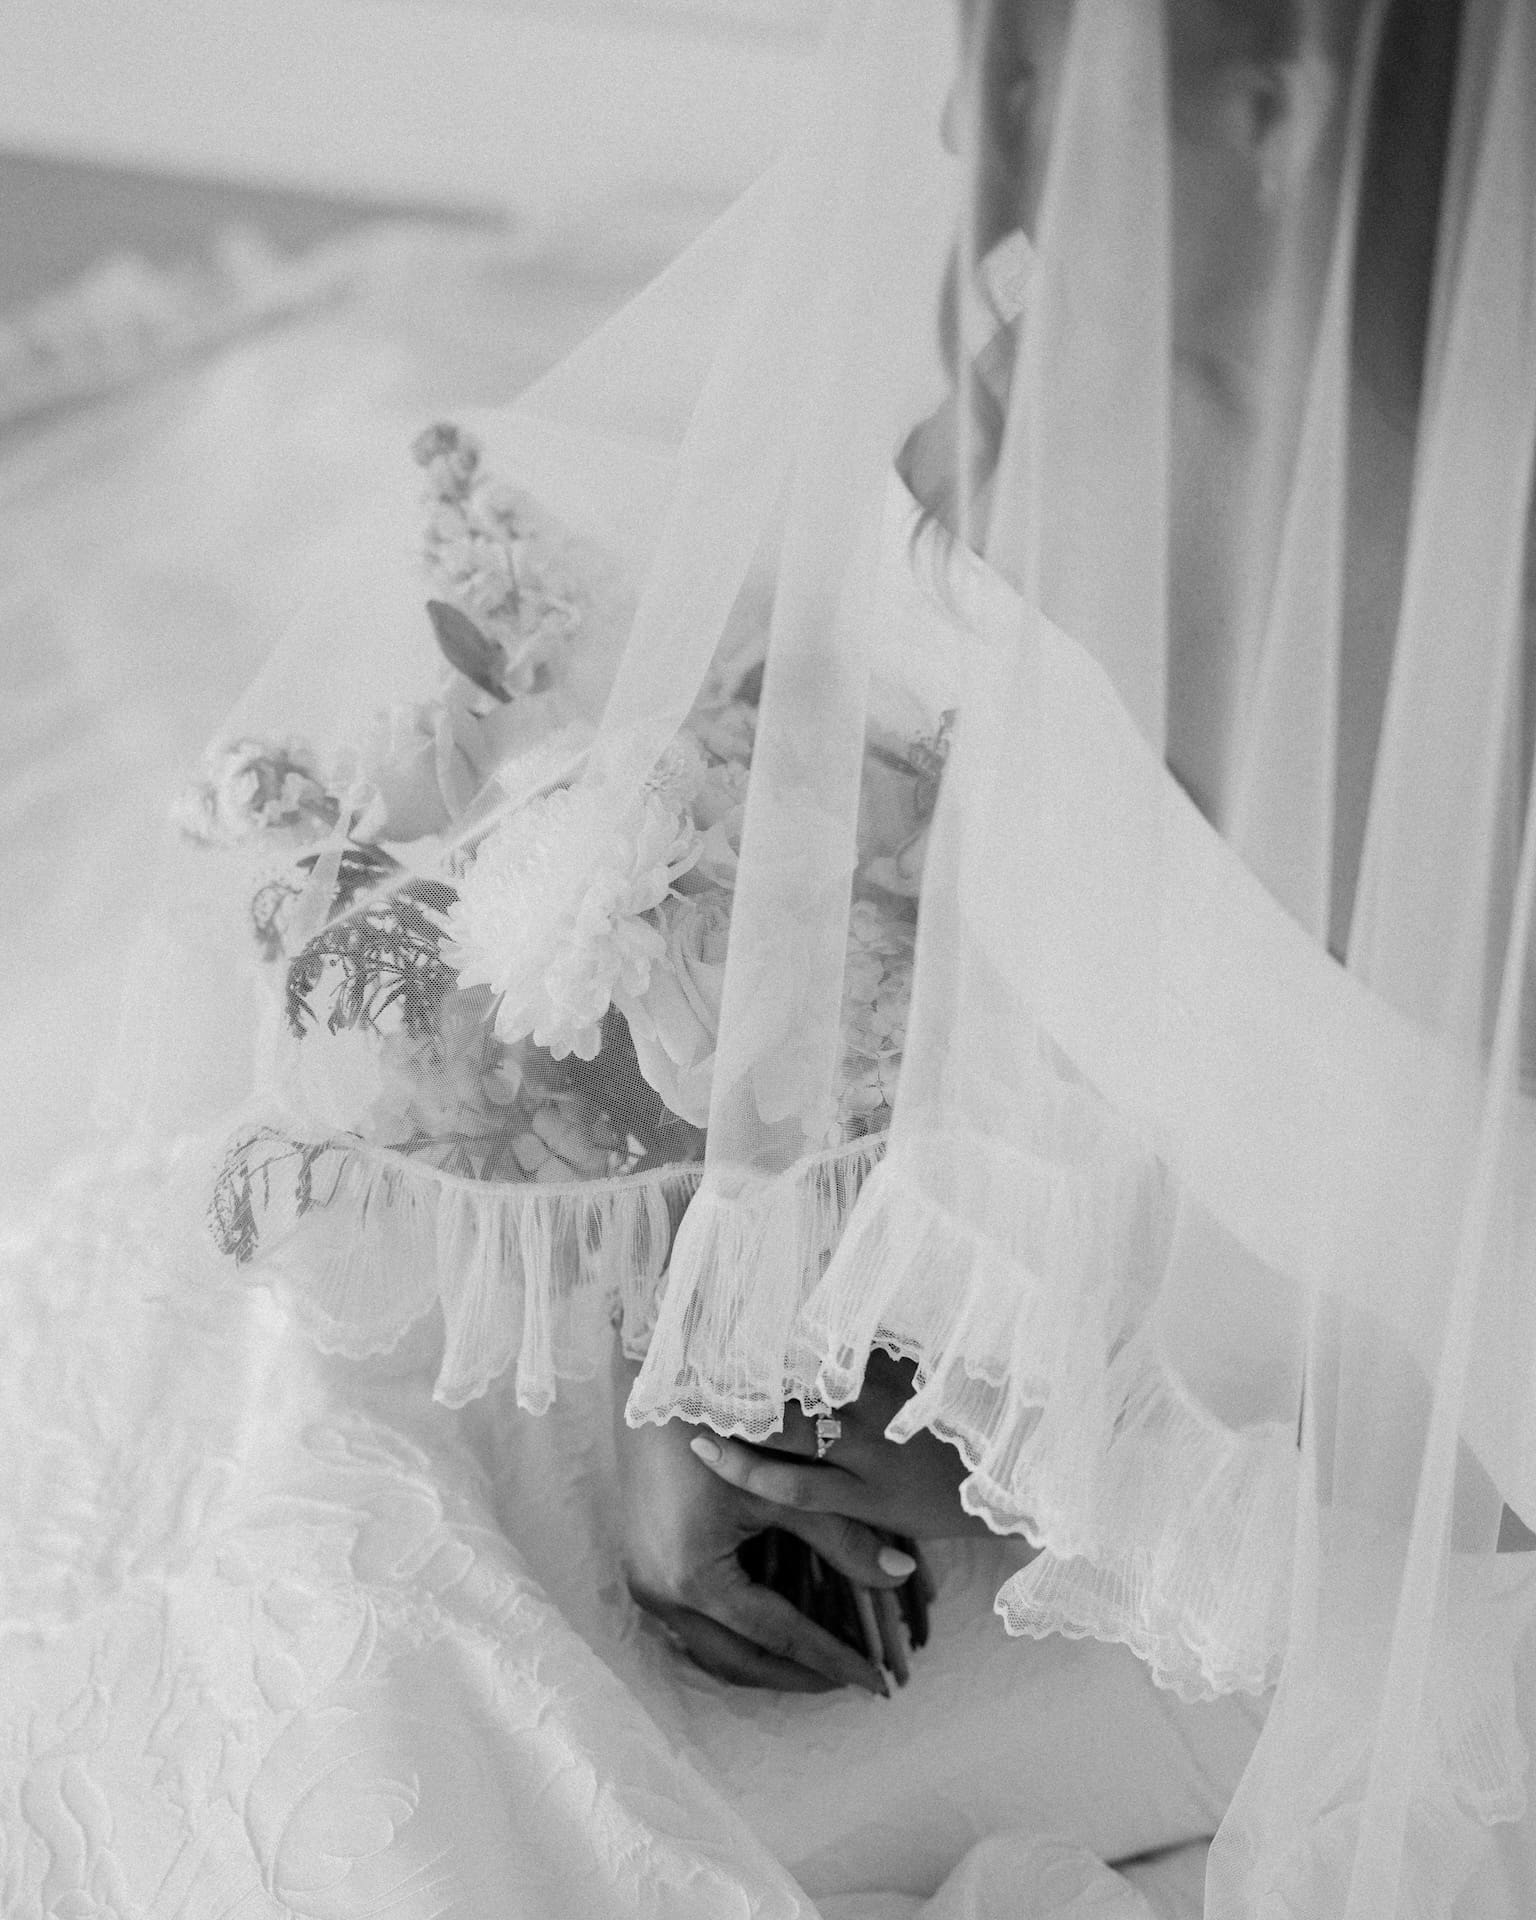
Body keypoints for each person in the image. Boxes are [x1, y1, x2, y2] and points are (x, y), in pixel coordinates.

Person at [3, 3, 1533, 1917]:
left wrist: (1050, 1467)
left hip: (1266, 1586)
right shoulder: (1027, 385)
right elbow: (836, 832)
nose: (961, 131)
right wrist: (704, 1340)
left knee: (427, 1769)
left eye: (1036, 73)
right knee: (306, 1468)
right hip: (901, 1328)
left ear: (1278, 111)